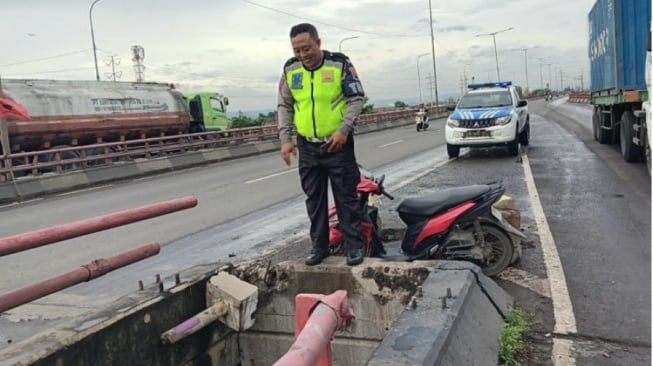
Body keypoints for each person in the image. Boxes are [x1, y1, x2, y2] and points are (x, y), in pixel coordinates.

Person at [277, 23, 365, 266]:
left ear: (318, 42)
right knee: (314, 200)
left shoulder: (340, 64)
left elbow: (356, 98)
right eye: (297, 50)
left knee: (345, 197)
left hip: (337, 144)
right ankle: (319, 247)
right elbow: (284, 105)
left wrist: (343, 129)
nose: (303, 55)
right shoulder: (291, 69)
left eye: (307, 48)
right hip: (307, 146)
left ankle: (354, 247)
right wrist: (285, 140)